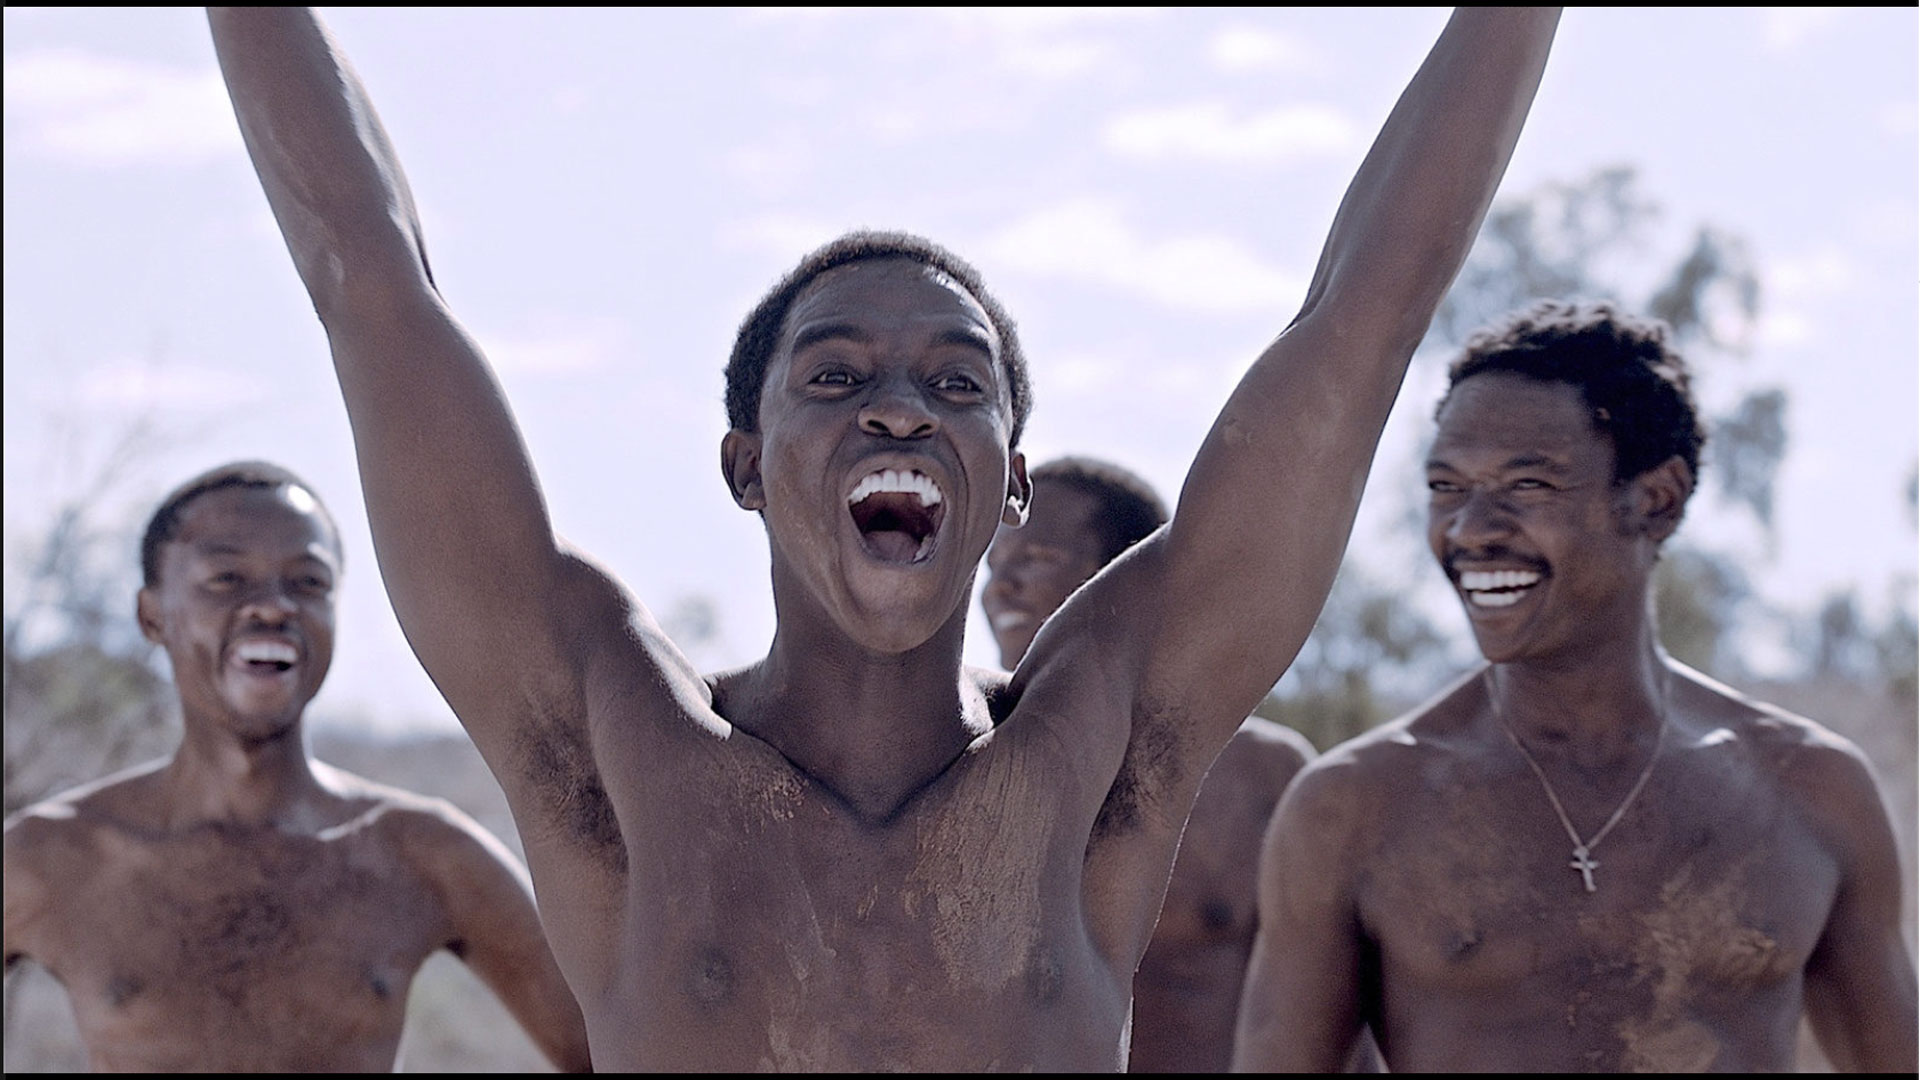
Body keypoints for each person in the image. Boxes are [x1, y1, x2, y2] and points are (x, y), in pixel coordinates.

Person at [207, 6, 1559, 1069]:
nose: (899, 409)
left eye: (956, 383)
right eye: (837, 379)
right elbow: (370, 285)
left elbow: (1365, 313)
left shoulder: (1096, 756)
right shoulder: (613, 741)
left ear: (1011, 479)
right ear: (745, 465)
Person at [1232, 300, 1920, 1073]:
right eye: (1447, 487)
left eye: (1527, 485)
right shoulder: (1356, 805)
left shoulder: (1808, 789)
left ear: (1655, 499)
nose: (1471, 529)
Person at [2, 461, 593, 1073]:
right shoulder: (50, 857)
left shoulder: (425, 855)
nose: (272, 607)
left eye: (308, 582)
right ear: (153, 617)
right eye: (226, 578)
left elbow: (613, 1048)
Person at [982, 456, 1314, 1073]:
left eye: (1038, 558)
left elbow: (1337, 1019)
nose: (1000, 586)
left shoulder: (1262, 776)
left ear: (1126, 579)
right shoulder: (964, 766)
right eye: (994, 564)